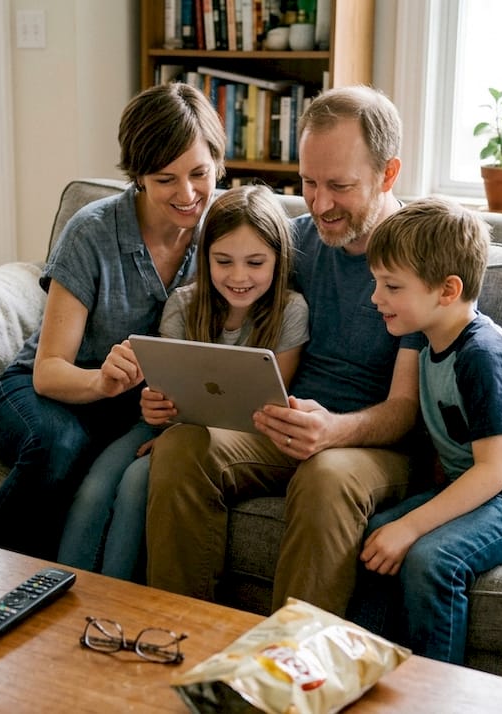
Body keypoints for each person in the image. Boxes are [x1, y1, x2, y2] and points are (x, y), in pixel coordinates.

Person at [145, 85, 429, 616]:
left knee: (327, 476)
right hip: (283, 428)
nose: (319, 205)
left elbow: (406, 409)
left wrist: (336, 431)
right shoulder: (293, 240)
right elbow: (220, 300)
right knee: (184, 447)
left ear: (388, 175)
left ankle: (287, 678)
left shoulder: (418, 261)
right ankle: (182, 637)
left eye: (339, 186)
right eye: (308, 183)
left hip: (375, 446)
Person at [0, 82, 227, 558]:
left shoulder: (225, 227)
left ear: (216, 162)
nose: (188, 193)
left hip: (134, 409)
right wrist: (103, 384)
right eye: (165, 179)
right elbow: (48, 371)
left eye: (199, 173)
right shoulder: (92, 233)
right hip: (43, 388)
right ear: (138, 177)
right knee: (61, 448)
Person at [349, 196, 502, 663]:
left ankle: (433, 695)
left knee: (434, 560)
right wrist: (401, 526)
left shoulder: (482, 355)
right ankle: (364, 672)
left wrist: (414, 526)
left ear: (447, 290)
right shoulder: (432, 342)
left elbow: (493, 473)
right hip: (490, 490)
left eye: (391, 286)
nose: (376, 298)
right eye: (377, 283)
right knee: (377, 534)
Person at [57, 184, 310, 580]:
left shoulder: (290, 311)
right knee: (97, 483)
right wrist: (153, 406)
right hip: (168, 424)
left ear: (279, 260)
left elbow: (266, 404)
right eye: (223, 261)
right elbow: (160, 389)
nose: (239, 276)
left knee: (138, 483)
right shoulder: (184, 304)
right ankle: (60, 589)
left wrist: (179, 437)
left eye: (256, 263)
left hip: (228, 436)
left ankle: (115, 601)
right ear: (205, 257)